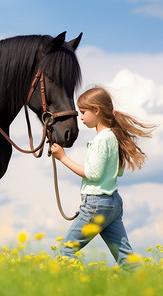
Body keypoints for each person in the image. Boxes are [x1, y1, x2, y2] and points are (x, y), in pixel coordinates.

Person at [50, 86, 155, 269]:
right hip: (113, 204)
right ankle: (148, 288)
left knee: (65, 252)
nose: (80, 117)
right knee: (126, 259)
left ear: (96, 110)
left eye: (83, 112)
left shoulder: (100, 140)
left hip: (96, 204)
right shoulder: (114, 137)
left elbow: (92, 174)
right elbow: (118, 171)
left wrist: (63, 157)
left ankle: (88, 286)